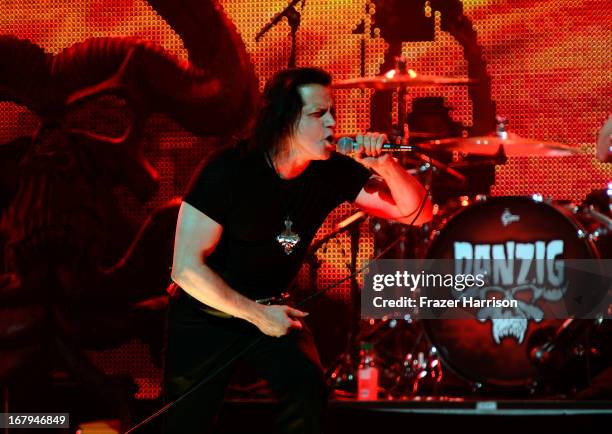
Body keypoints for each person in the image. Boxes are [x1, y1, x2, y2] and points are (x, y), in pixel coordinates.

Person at [165, 67, 432, 434]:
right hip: (209, 310)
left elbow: (417, 213)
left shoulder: (329, 170)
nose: (333, 123)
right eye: (319, 115)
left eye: (332, 112)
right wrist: (257, 315)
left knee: (307, 393)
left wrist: (385, 164)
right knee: (185, 423)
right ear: (285, 119)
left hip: (274, 307)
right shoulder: (228, 171)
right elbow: (185, 269)